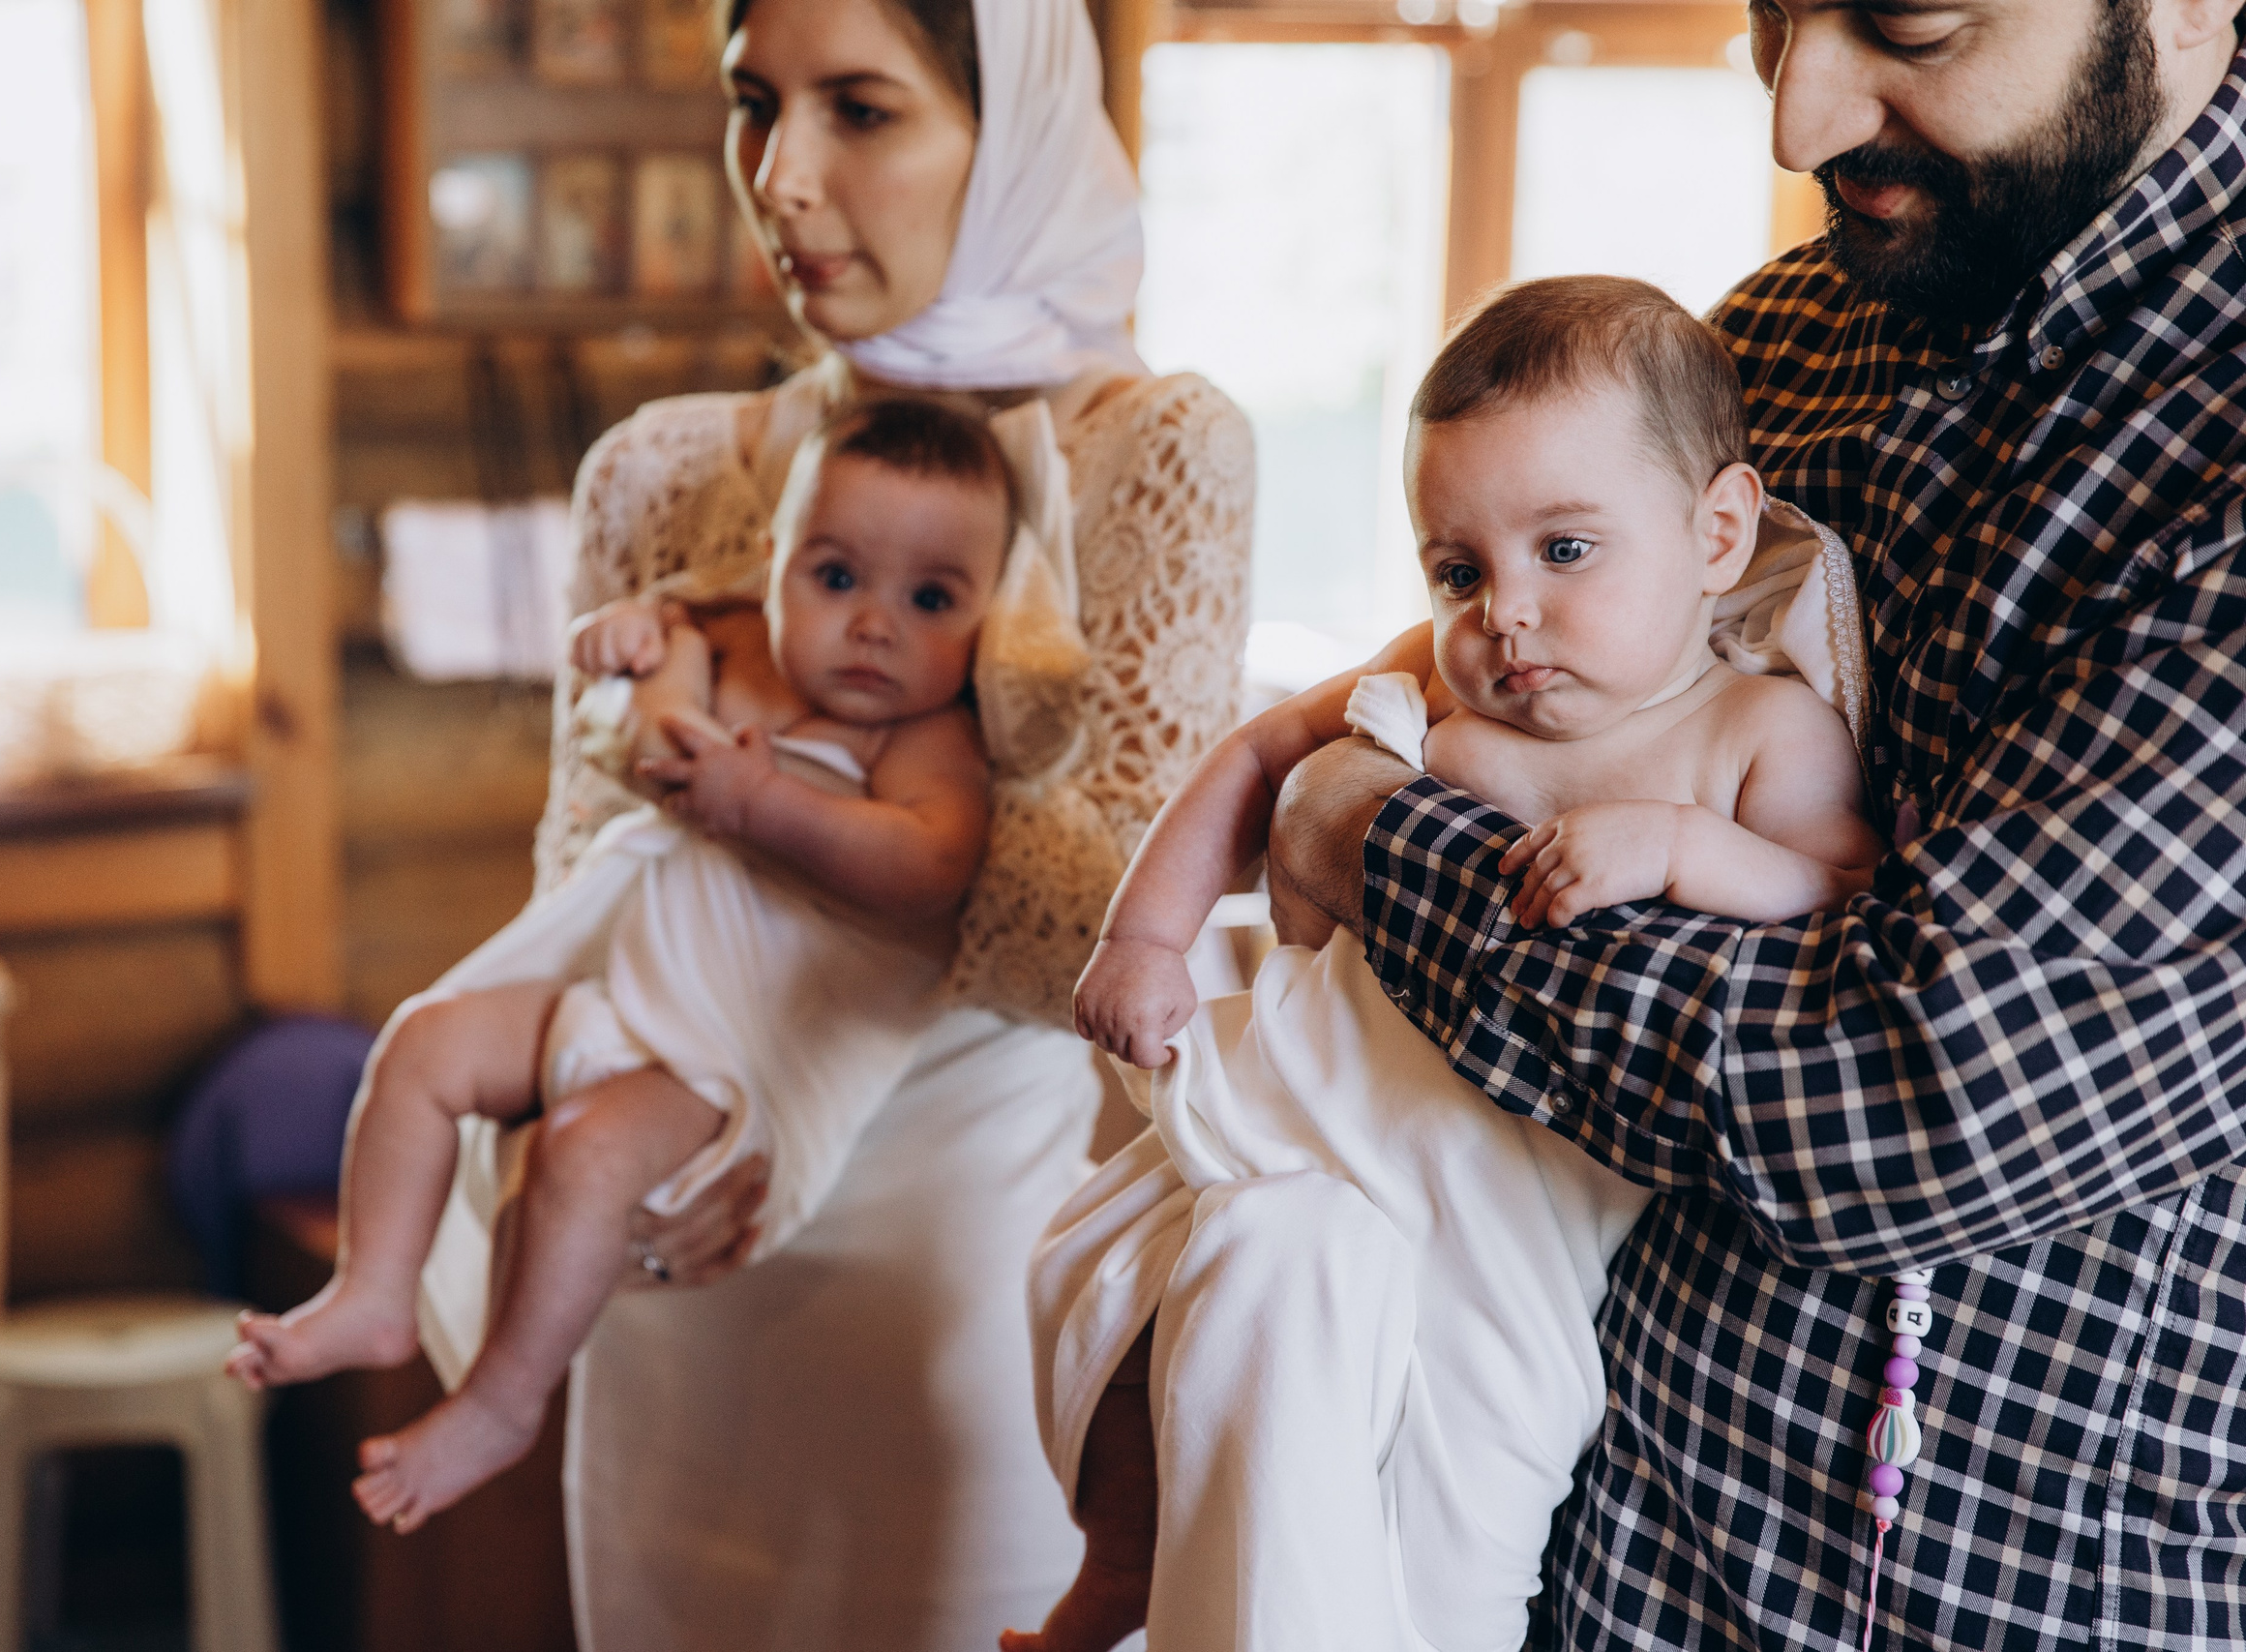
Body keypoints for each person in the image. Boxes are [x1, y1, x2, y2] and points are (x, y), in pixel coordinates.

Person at [1261, 0, 2246, 1643]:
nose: (1798, 122)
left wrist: (1378, 847)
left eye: (1911, 21)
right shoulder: (1782, 335)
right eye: (1771, 13)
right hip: (1591, 1552)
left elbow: (1909, 1095)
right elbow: (1493, 684)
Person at [404, 0, 1253, 1645]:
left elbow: (1099, 942)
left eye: (860, 109)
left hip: (953, 1277)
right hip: (663, 1241)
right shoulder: (659, 469)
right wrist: (567, 1146)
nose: (779, 174)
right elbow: (588, 877)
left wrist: (780, 799)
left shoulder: (1154, 450)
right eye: (754, 103)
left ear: (1010, 126)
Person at [1013, 277, 1883, 1652]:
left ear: (1717, 533)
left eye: (1566, 550)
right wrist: (1145, 933)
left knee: (1470, 1493)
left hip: (1511, 1205)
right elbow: (1261, 752)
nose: (1505, 613)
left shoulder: (1757, 734)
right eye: (1459, 568)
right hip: (1312, 1098)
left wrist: (1682, 847)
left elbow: (1839, 895)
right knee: (1115, 1289)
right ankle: (1125, 1557)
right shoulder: (1434, 671)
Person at [226, 399, 1017, 1533]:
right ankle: (372, 1290)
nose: (873, 627)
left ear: (989, 616)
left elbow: (930, 869)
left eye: (931, 600)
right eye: (837, 577)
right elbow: (653, 679)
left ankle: (502, 1401)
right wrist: (631, 636)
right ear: (774, 562)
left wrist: (766, 804)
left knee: (584, 1152)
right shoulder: (733, 639)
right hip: (618, 994)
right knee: (422, 1042)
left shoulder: (924, 740)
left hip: (725, 1070)